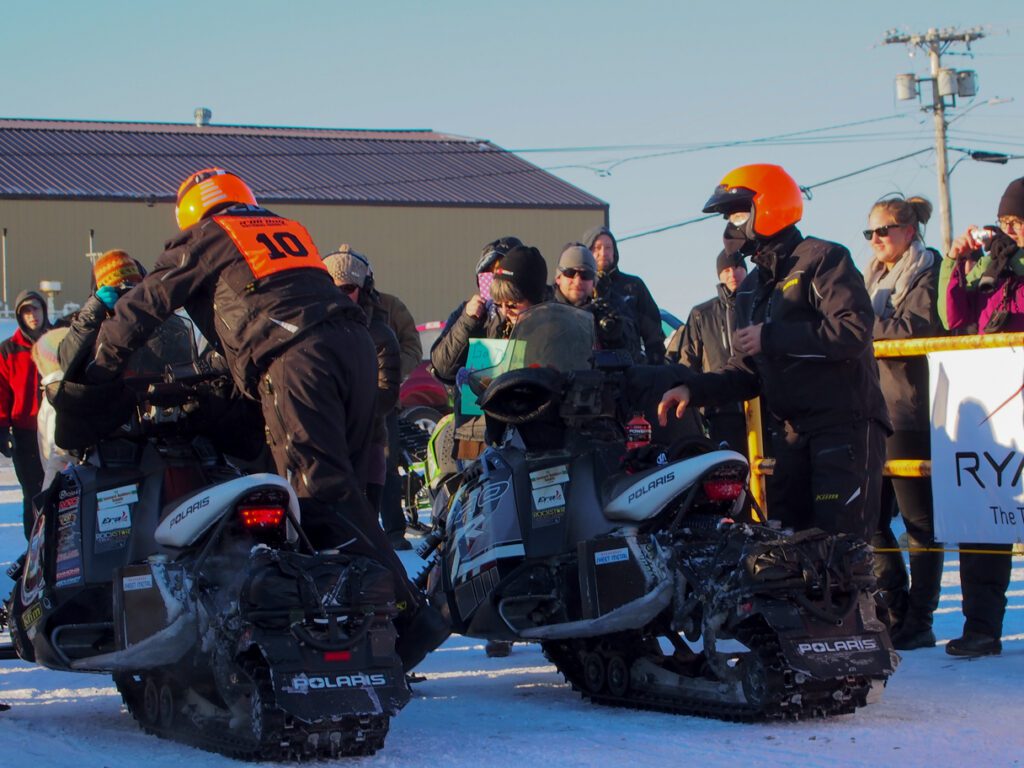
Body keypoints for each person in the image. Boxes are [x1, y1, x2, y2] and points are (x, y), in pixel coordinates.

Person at [82, 167, 446, 669]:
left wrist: (98, 369)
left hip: (298, 357)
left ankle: (404, 622)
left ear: (190, 210)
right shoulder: (284, 228)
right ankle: (366, 615)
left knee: (315, 494)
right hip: (354, 347)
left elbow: (147, 303)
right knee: (350, 495)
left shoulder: (208, 235)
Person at [656, 164, 890, 541]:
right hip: (791, 433)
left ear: (766, 208)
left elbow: (852, 331)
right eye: (727, 217)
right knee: (788, 546)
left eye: (737, 213)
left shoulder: (823, 260)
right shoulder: (752, 289)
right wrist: (692, 390)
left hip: (844, 425)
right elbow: (746, 369)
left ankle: (879, 602)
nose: (731, 226)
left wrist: (773, 337)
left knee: (840, 548)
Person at [940, 176, 1024, 657]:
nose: (1009, 230)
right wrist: (960, 263)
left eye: (1016, 222)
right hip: (994, 408)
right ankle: (981, 627)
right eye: (1006, 222)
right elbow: (955, 318)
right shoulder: (998, 267)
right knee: (982, 517)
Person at [863, 195, 944, 650]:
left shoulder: (926, 272)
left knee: (918, 521)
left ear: (908, 232)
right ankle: (895, 604)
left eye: (883, 231)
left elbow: (912, 329)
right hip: (874, 409)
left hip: (910, 409)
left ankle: (921, 617)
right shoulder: (871, 276)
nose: (875, 240)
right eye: (869, 232)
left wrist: (862, 327)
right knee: (872, 516)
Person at [322, 245, 406, 550]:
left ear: (363, 289)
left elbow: (386, 393)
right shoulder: (311, 331)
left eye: (348, 288)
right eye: (332, 287)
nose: (340, 294)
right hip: (325, 442)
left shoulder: (381, 334)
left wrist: (346, 411)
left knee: (364, 530)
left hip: (367, 441)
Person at [431, 239, 544, 461]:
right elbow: (441, 367)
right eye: (487, 273)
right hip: (474, 432)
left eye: (500, 270)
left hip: (525, 430)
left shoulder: (537, 313)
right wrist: (468, 320)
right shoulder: (470, 312)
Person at [669, 245, 749, 454]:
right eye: (726, 270)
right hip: (721, 410)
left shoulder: (761, 305)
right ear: (719, 274)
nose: (732, 274)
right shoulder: (701, 314)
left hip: (764, 410)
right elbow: (688, 363)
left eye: (737, 267)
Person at [375, 282, 422, 550]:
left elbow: (413, 347)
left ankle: (394, 529)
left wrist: (389, 373)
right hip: (342, 401)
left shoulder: (390, 306)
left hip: (383, 401)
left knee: (386, 465)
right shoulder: (329, 304)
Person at [0, 290, 51, 537]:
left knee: (57, 491)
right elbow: (1, 393)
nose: (33, 316)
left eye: (36, 309)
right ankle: (33, 551)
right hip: (25, 433)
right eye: (26, 311)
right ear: (20, 316)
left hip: (56, 431)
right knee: (32, 493)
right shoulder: (8, 350)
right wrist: (2, 428)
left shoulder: (56, 341)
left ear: (44, 311)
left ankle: (58, 548)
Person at [582, 226, 665, 363]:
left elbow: (653, 334)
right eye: (597, 248)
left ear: (615, 251)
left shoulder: (634, 285)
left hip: (628, 367)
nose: (603, 253)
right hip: (586, 367)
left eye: (608, 248)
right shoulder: (578, 285)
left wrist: (654, 366)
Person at [552, 243, 642, 360]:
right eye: (570, 273)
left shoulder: (604, 313)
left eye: (586, 275)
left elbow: (633, 357)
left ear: (594, 283)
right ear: (558, 278)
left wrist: (616, 337)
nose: (578, 280)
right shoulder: (543, 311)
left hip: (592, 376)